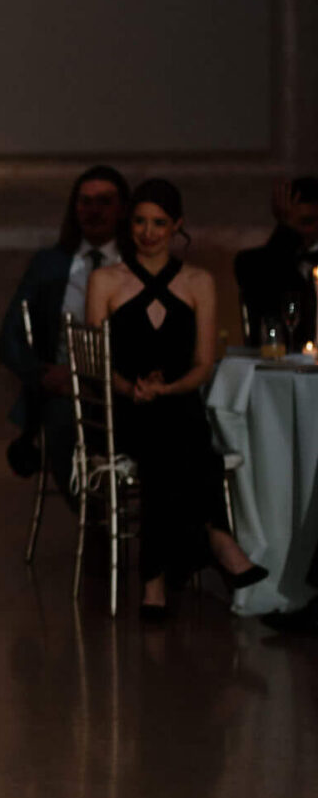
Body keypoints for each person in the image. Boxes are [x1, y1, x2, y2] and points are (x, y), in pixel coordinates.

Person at [85, 179, 268, 623]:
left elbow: (203, 363)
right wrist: (132, 388)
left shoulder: (199, 281)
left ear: (178, 226)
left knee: (176, 431)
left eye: (160, 223)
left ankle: (155, 579)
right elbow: (94, 361)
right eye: (141, 222)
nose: (149, 232)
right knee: (176, 441)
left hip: (177, 402)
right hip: (124, 407)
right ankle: (216, 536)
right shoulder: (105, 279)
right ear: (130, 224)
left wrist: (166, 388)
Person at [0, 165, 129, 482]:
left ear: (122, 208)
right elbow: (9, 339)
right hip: (64, 388)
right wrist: (44, 374)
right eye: (85, 201)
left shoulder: (136, 263)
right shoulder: (50, 264)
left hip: (124, 385)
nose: (93, 210)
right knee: (63, 425)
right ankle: (94, 519)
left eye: (104, 201)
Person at [234, 177, 318, 351]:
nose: (302, 231)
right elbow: (264, 293)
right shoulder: (254, 263)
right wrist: (285, 232)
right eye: (291, 223)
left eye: (306, 222)